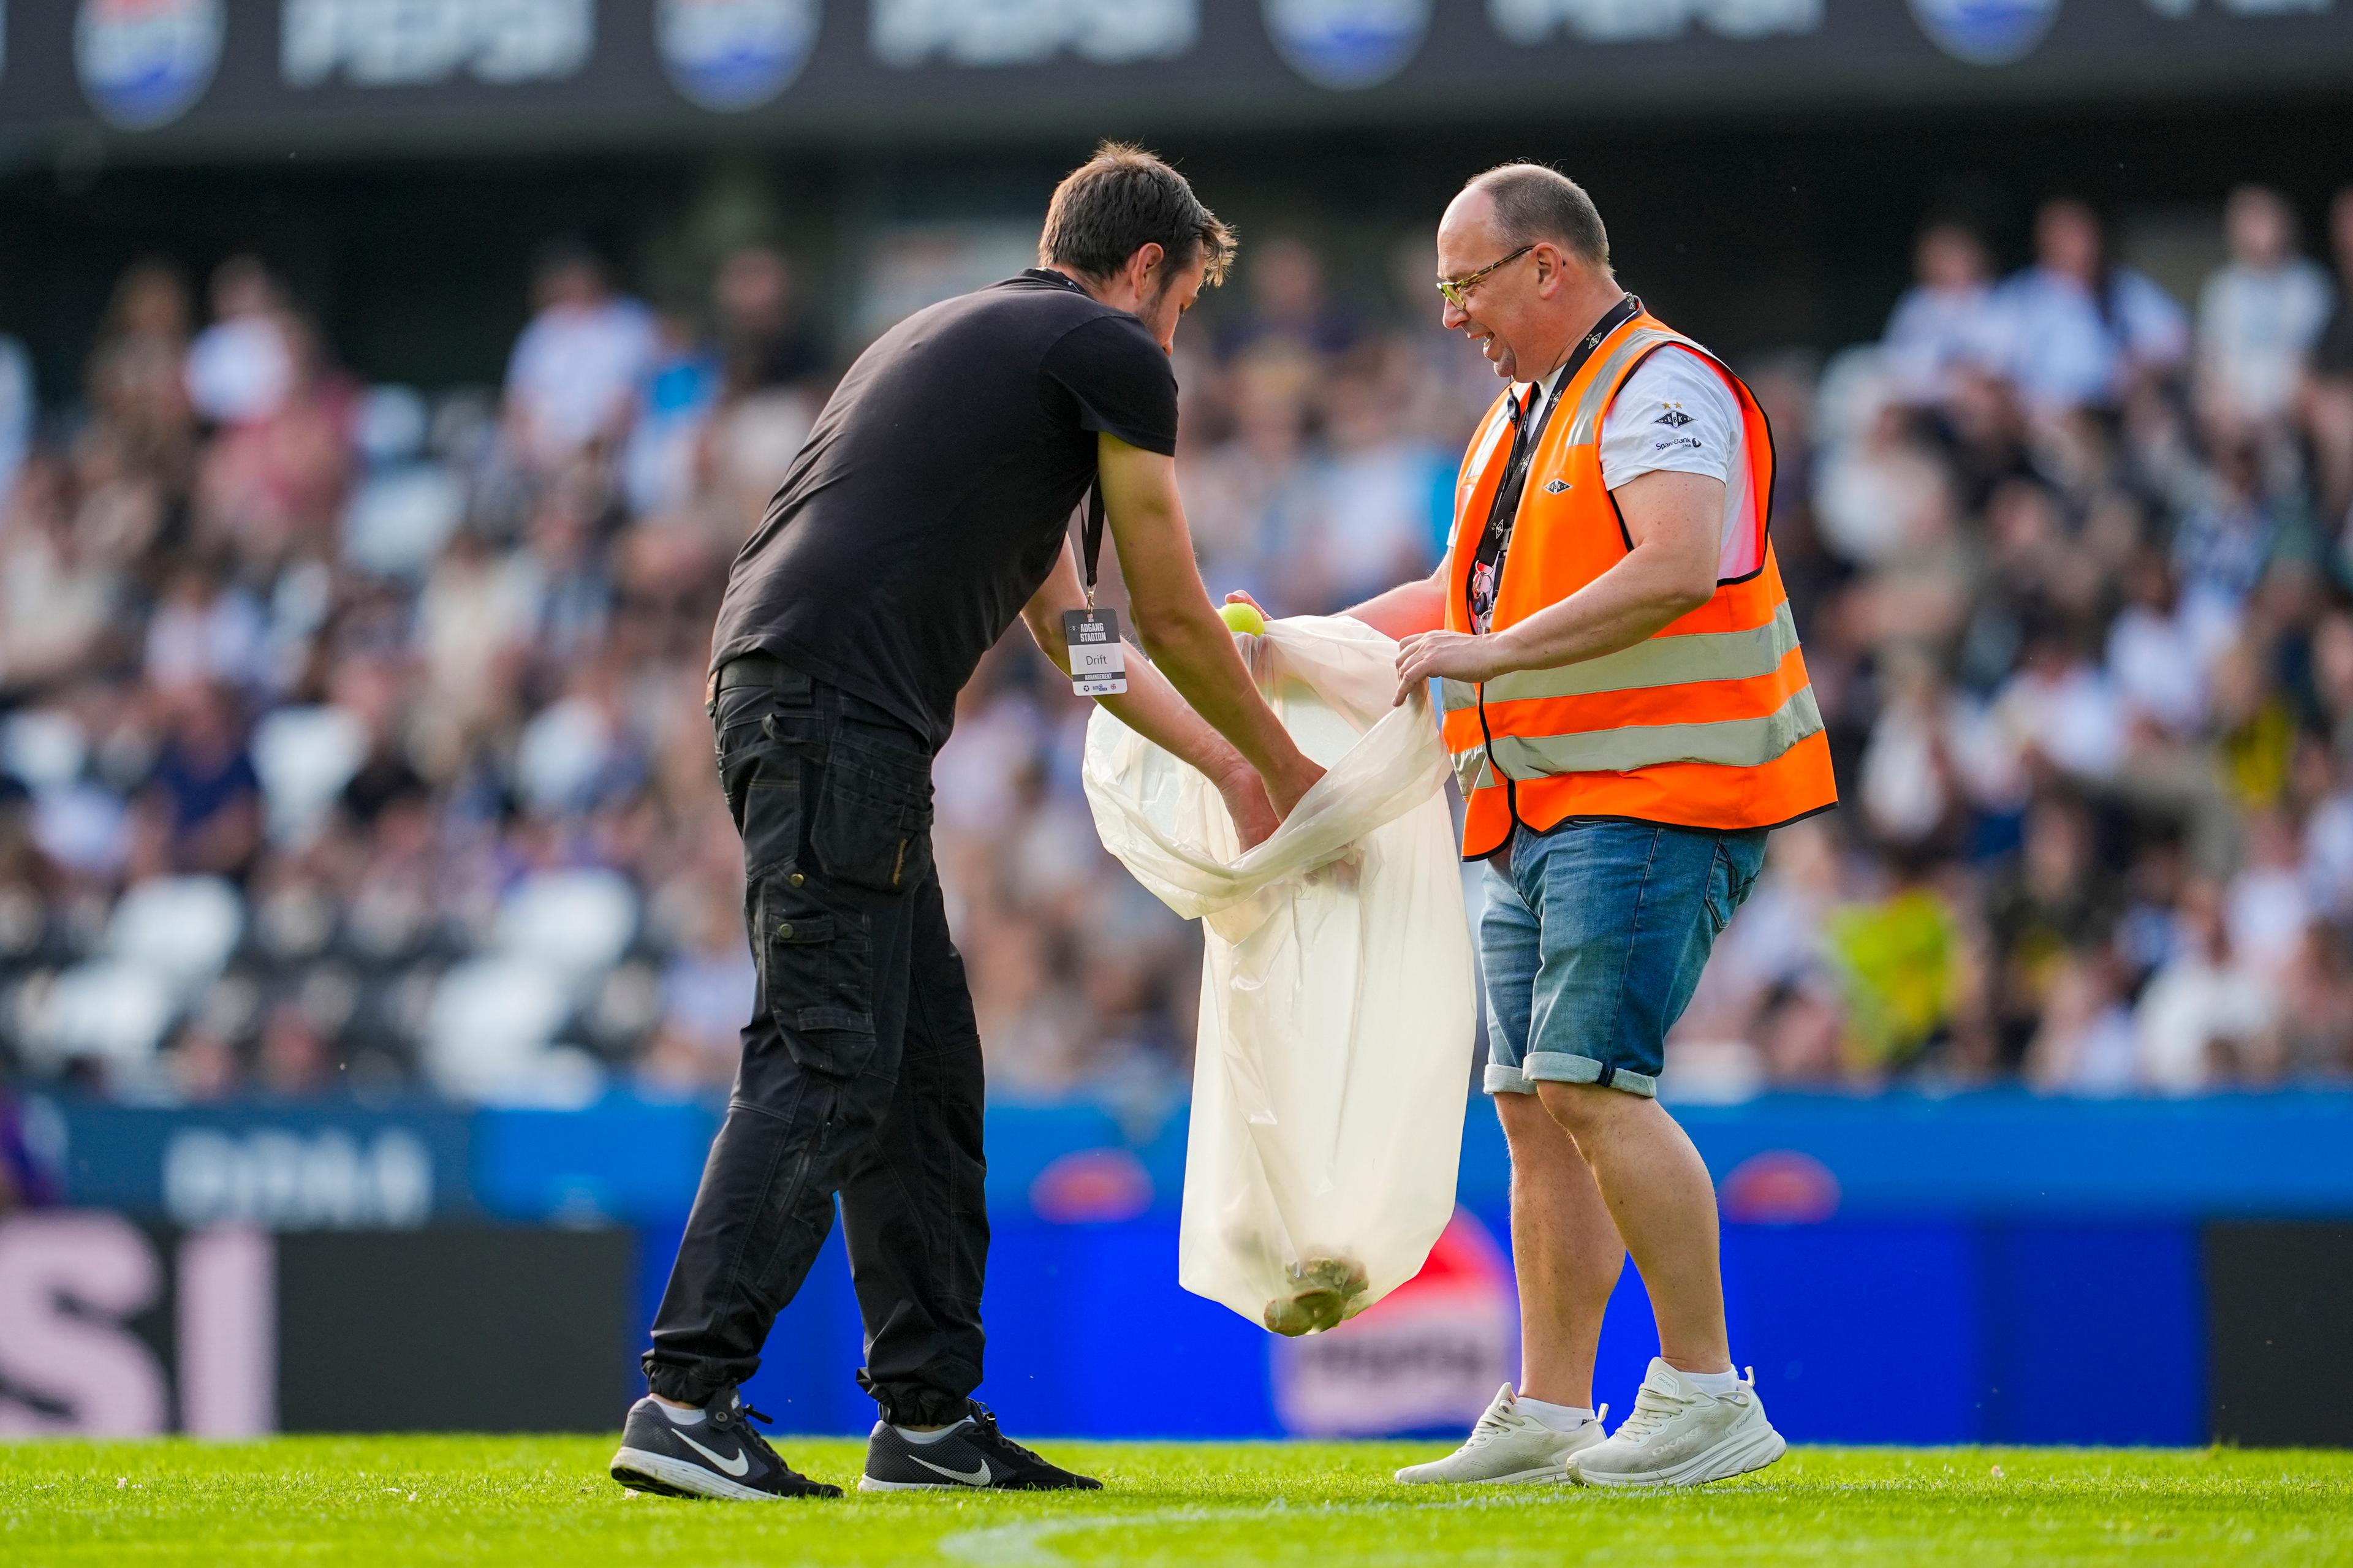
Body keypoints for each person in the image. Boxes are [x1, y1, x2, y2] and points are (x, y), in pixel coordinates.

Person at [610, 143, 1325, 1501]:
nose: (1176, 340)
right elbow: (1168, 608)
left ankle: (926, 1421)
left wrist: (1224, 770)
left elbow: (1076, 631)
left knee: (922, 1074)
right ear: (1147, 268)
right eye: (1181, 305)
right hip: (836, 720)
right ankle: (688, 1396)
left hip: (809, 710)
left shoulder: (976, 341)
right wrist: (1288, 765)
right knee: (826, 1056)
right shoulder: (1108, 349)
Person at [1251, 163, 1836, 1489]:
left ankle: (1706, 1389)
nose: (1452, 315)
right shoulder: (1518, 414)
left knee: (1588, 1086)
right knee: (1530, 1105)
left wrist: (1490, 650)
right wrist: (1299, 643)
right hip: (1535, 805)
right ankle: (1554, 1407)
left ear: (1547, 268)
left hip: (1656, 792)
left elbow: (1679, 561)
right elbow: (1458, 602)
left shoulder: (1664, 384)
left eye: (1465, 285)